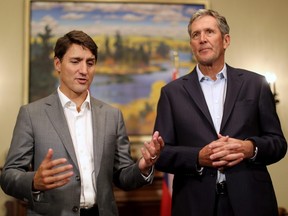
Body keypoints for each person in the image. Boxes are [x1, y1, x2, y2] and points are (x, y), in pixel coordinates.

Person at [0, 30, 164, 216]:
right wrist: (33, 181)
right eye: (75, 61)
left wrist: (142, 167)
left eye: (90, 63)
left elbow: (122, 176)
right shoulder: (31, 114)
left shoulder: (112, 115)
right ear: (58, 64)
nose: (84, 70)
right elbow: (8, 176)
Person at [154, 9, 287, 216]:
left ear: (226, 40)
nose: (202, 39)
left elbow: (278, 143)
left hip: (251, 202)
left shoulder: (255, 84)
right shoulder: (172, 93)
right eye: (195, 35)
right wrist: (198, 157)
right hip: (194, 205)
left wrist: (249, 148)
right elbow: (161, 154)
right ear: (191, 45)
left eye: (209, 32)